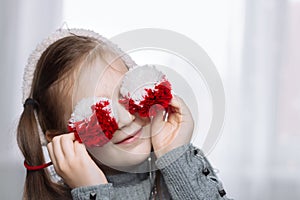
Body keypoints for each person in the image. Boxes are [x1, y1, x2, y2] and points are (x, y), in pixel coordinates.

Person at [17, 28, 231, 200]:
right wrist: (93, 193)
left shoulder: (182, 169)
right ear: (62, 140)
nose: (127, 119)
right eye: (100, 113)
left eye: (128, 97)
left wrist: (176, 157)